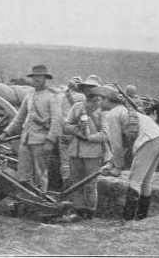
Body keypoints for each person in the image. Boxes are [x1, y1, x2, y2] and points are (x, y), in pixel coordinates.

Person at [97, 85, 159, 221]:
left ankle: (127, 220)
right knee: (145, 182)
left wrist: (117, 167)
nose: (99, 102)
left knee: (135, 181)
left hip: (148, 140)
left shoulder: (113, 114)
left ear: (107, 100)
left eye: (100, 99)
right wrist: (110, 164)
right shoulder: (123, 110)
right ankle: (141, 219)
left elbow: (117, 145)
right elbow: (123, 144)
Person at [0, 65, 62, 194]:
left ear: (45, 78)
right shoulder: (30, 95)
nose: (36, 79)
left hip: (41, 141)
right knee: (23, 173)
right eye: (34, 76)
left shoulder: (52, 96)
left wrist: (50, 141)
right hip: (25, 140)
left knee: (40, 174)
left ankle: (42, 201)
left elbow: (56, 121)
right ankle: (24, 201)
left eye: (39, 76)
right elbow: (19, 118)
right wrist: (5, 133)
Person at [62, 82, 108, 220]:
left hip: (93, 153)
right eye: (86, 88)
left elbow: (105, 134)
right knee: (76, 183)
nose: (89, 91)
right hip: (75, 151)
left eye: (92, 88)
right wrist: (77, 128)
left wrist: (89, 138)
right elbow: (65, 125)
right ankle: (78, 210)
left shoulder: (102, 110)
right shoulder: (77, 106)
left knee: (90, 184)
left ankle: (90, 212)